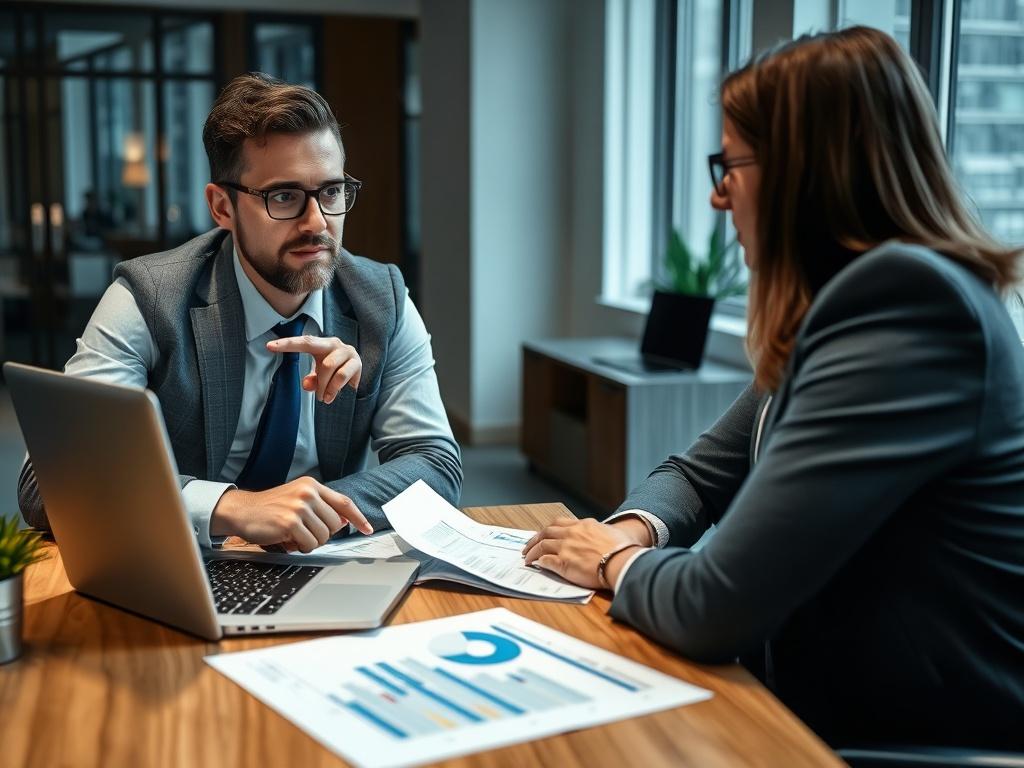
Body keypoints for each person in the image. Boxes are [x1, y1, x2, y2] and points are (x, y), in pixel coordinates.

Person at [523, 28, 1024, 748]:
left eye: (731, 165)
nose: (718, 195)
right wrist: (621, 531)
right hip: (812, 690)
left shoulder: (908, 309)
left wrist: (607, 561)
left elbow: (714, 605)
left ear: (804, 172)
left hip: (903, 735)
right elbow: (696, 476)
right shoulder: (841, 307)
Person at [18, 73, 462, 553]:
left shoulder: (383, 299)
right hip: (182, 565)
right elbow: (45, 481)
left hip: (321, 563)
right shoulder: (149, 297)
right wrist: (231, 509)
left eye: (331, 192)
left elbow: (436, 465)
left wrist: (311, 512)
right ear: (222, 207)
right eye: (284, 197)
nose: (317, 223)